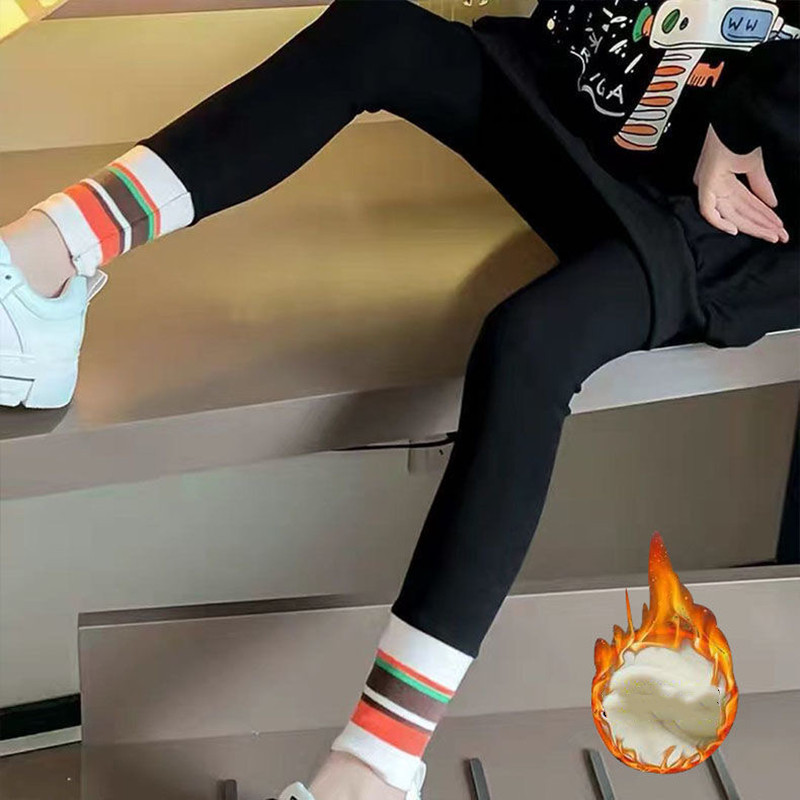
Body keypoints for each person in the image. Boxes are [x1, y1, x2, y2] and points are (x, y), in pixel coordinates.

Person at [1, 1, 797, 798]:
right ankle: (42, 264)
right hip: (602, 100)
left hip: (741, 195)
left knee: (532, 344)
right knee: (377, 33)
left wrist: (742, 121)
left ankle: (373, 771)